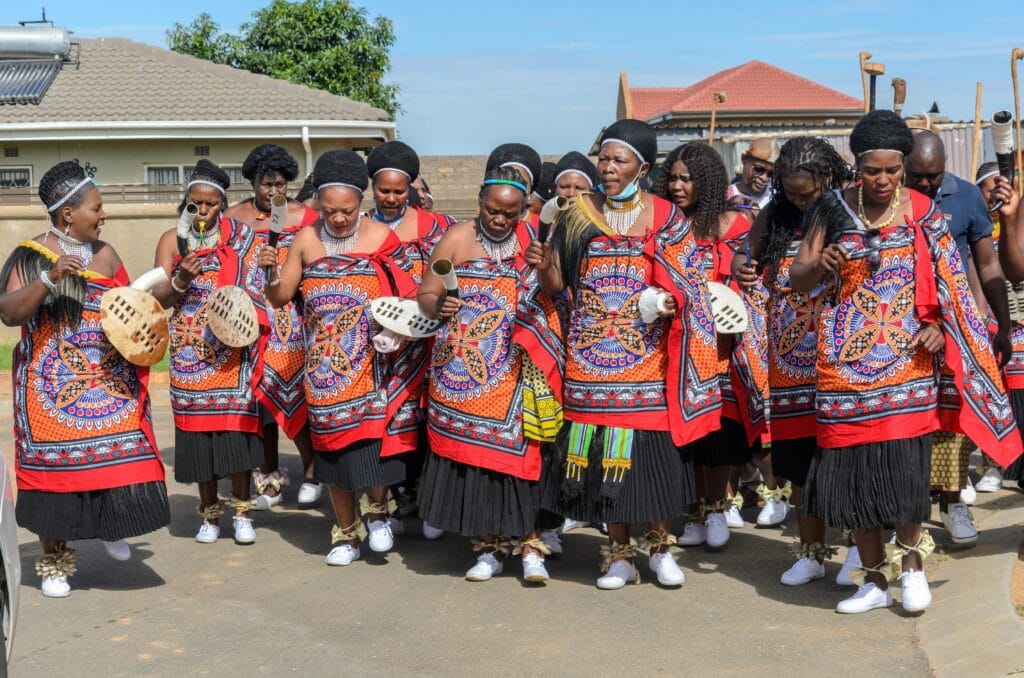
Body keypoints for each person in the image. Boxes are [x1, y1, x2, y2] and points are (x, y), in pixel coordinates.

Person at [790, 110, 1021, 615]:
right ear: (858, 166)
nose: (883, 180)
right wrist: (819, 265)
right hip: (842, 369)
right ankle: (872, 581)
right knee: (853, 479)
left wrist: (941, 326)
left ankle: (912, 570)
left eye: (892, 170)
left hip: (906, 367)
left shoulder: (920, 210)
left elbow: (953, 284)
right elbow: (797, 277)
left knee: (901, 477)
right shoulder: (830, 209)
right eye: (874, 170)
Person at [537, 119, 723, 589]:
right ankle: (618, 556)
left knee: (651, 462)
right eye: (604, 157)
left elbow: (693, 284)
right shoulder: (576, 212)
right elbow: (557, 285)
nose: (608, 167)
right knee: (602, 462)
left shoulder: (665, 216)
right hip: (591, 359)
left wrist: (662, 301)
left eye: (619, 160)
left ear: (642, 166)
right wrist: (544, 268)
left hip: (647, 361)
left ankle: (660, 550)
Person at [0, 161, 171, 597]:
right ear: (68, 214)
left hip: (107, 379)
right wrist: (49, 277)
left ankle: (111, 526)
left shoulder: (107, 254)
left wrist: (176, 285)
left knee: (119, 454)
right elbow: (9, 313)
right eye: (96, 208)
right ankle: (54, 563)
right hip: (53, 388)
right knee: (54, 477)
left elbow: (132, 305)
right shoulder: (30, 255)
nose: (103, 215)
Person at [260, 150, 427, 567]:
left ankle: (379, 514)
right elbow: (280, 297)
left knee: (371, 446)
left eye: (347, 211)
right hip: (325, 367)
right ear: (318, 204)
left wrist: (397, 335)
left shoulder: (381, 238)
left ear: (360, 201)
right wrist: (269, 272)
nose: (338, 219)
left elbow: (410, 296)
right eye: (329, 210)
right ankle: (346, 535)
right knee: (333, 453)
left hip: (374, 363)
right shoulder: (305, 240)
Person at [416, 165, 564, 582]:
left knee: (523, 458)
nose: (499, 219)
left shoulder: (535, 237)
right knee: (476, 462)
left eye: (510, 213)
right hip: (465, 369)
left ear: (523, 209)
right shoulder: (457, 238)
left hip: (518, 368)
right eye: (492, 210)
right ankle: (489, 548)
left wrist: (545, 264)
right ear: (480, 200)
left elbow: (554, 288)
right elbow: (427, 290)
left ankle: (531, 547)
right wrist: (437, 306)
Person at [733, 136, 856, 585]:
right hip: (787, 357)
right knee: (801, 462)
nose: (800, 200)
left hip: (842, 351)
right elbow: (744, 250)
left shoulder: (848, 208)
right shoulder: (777, 212)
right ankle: (810, 552)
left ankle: (859, 549)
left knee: (842, 456)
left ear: (828, 177)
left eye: (807, 191)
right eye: (791, 191)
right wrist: (743, 263)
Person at [655, 142, 768, 548]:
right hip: (678, 345)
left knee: (722, 429)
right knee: (688, 432)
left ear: (708, 181)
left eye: (687, 178)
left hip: (727, 346)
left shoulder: (738, 225)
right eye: (672, 178)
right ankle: (695, 512)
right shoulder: (666, 227)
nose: (678, 186)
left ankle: (718, 507)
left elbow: (758, 274)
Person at [153, 159, 269, 546]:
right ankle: (209, 516)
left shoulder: (244, 238)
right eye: (194, 204)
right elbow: (159, 298)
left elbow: (259, 292)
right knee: (197, 435)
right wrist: (182, 277)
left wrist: (266, 271)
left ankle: (242, 512)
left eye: (210, 204)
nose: (201, 211)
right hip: (189, 349)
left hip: (233, 348)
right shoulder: (173, 240)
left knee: (235, 432)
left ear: (223, 203)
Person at [905, 132, 1012, 535]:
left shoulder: (967, 197)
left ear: (945, 164)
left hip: (956, 324)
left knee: (952, 415)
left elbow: (987, 266)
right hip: (900, 326)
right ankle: (904, 511)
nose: (926, 184)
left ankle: (952, 506)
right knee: (908, 419)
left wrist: (1000, 324)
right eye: (918, 175)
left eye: (934, 175)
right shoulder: (889, 200)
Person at [224, 144, 322, 510]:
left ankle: (312, 469)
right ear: (252, 182)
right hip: (245, 319)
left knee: (293, 393)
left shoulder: (303, 216)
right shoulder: (233, 217)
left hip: (291, 318)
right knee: (257, 402)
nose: (274, 192)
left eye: (280, 185)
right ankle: (269, 476)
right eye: (266, 184)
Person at [365, 139, 452, 540]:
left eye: (400, 191)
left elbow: (453, 276)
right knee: (389, 424)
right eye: (384, 190)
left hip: (430, 343)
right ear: (371, 187)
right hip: (379, 344)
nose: (391, 198)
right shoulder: (359, 228)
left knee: (429, 423)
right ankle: (392, 502)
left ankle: (432, 500)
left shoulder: (438, 227)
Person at [727, 137, 779, 212]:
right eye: (758, 169)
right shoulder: (726, 198)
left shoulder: (777, 197)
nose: (764, 178)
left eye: (771, 174)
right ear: (744, 159)